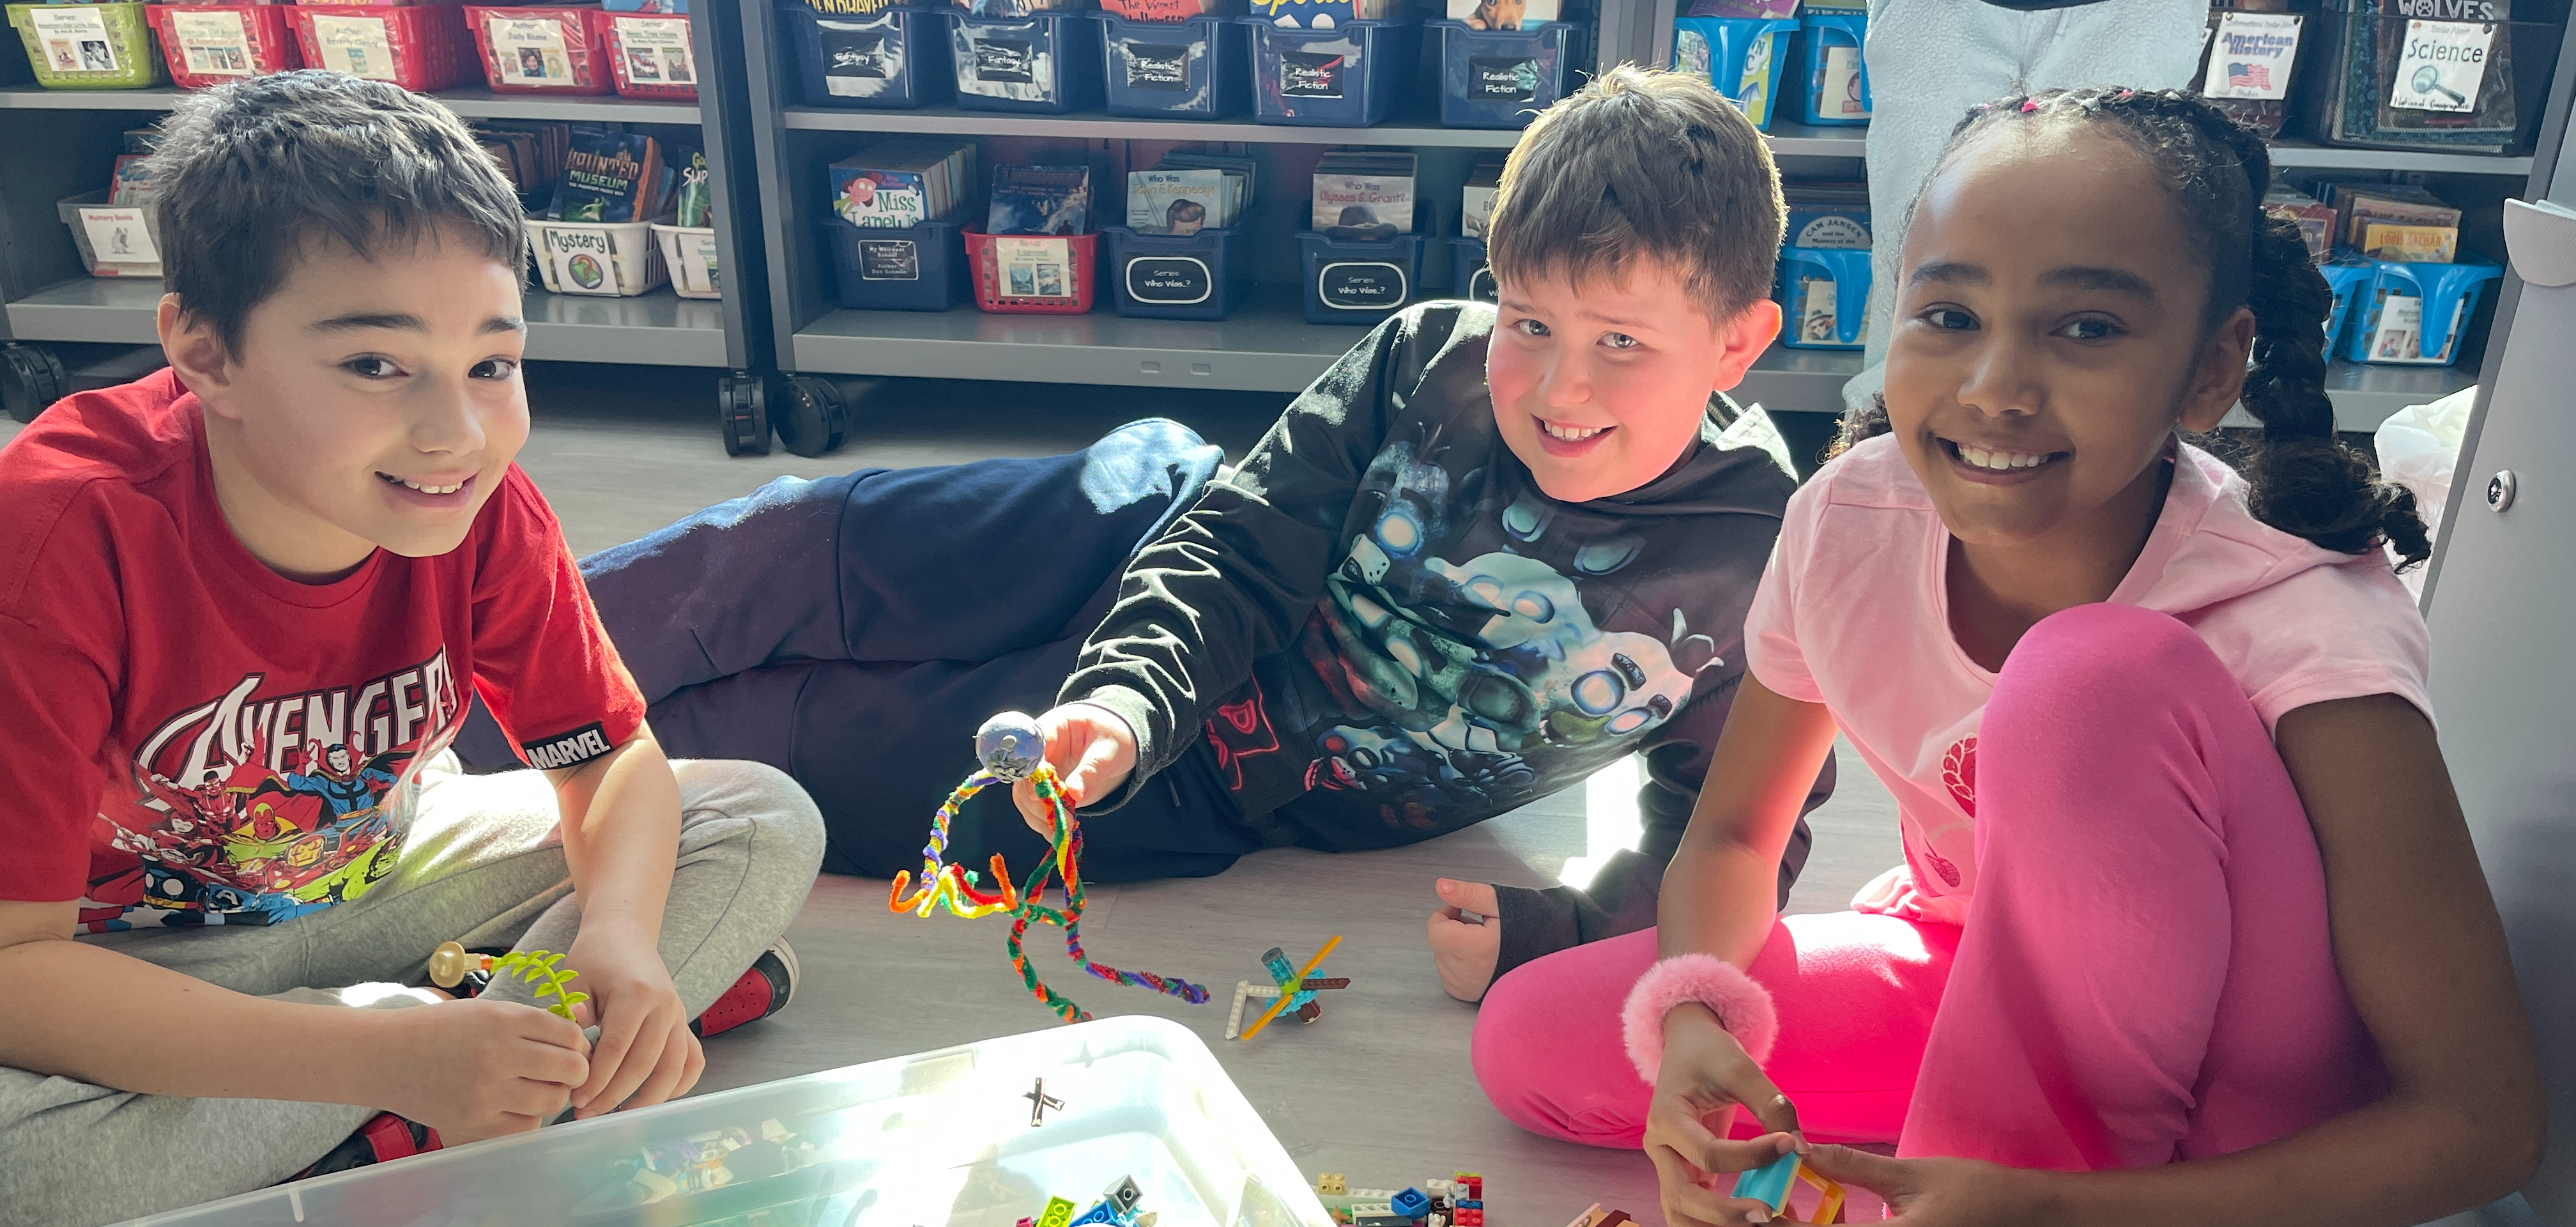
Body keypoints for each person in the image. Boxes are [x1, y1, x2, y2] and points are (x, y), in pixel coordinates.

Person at [473, 66, 1830, 991]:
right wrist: (1124, 695)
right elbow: (1238, 545)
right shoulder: (1427, 357)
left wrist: (1561, 935)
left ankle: (438, 809)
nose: (1558, 385)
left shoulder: (1770, 554)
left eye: (1620, 344)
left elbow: (1733, 825)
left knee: (769, 755)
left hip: (1217, 787)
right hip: (1126, 537)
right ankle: (422, 704)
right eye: (1529, 321)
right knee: (778, 559)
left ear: (1738, 346)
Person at [1469, 86, 2544, 1226]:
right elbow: (1737, 833)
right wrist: (1694, 1015)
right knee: (1538, 1041)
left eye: (2086, 328)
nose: (1995, 390)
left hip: (2252, 1094)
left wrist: (2058, 1207)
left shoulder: (2305, 617)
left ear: (2212, 369)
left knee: (2087, 678)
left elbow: (2484, 1124)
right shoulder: (1848, 523)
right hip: (1994, 967)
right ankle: (1996, 1137)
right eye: (1949, 316)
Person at [0, 73, 826, 1227]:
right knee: (25, 1175)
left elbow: (612, 765)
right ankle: (465, 1074)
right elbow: (15, 969)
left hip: (377, 877)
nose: (457, 434)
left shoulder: (476, 500)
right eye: (376, 365)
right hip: (128, 965)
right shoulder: (54, 537)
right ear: (205, 350)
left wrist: (623, 943)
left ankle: (472, 1062)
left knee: (754, 814)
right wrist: (379, 1054)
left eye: (492, 364)